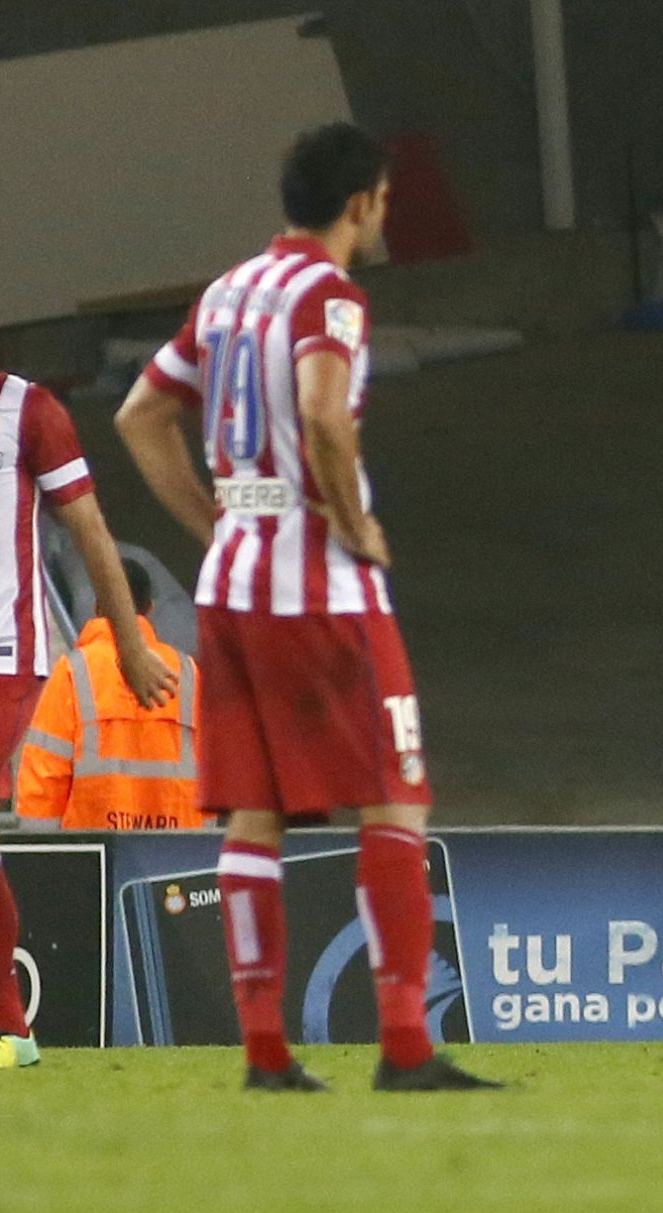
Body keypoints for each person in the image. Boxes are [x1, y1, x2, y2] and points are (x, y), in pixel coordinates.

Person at [113, 122, 496, 1090]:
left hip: (233, 580)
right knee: (395, 795)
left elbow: (138, 415)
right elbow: (325, 414)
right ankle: (406, 1045)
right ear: (364, 199)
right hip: (318, 584)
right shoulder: (330, 296)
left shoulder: (228, 292)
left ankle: (265, 1052)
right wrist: (350, 519)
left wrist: (216, 519)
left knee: (254, 812)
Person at [0, 366, 177, 1072]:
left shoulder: (28, 411)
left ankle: (10, 1030)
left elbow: (89, 527)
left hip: (4, 654)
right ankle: (12, 1029)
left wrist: (129, 644)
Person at [16, 559, 206, 831]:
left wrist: (43, 855)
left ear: (97, 607)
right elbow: (212, 773)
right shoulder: (187, 673)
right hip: (175, 855)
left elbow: (45, 775)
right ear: (149, 609)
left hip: (96, 855)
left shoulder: (73, 672)